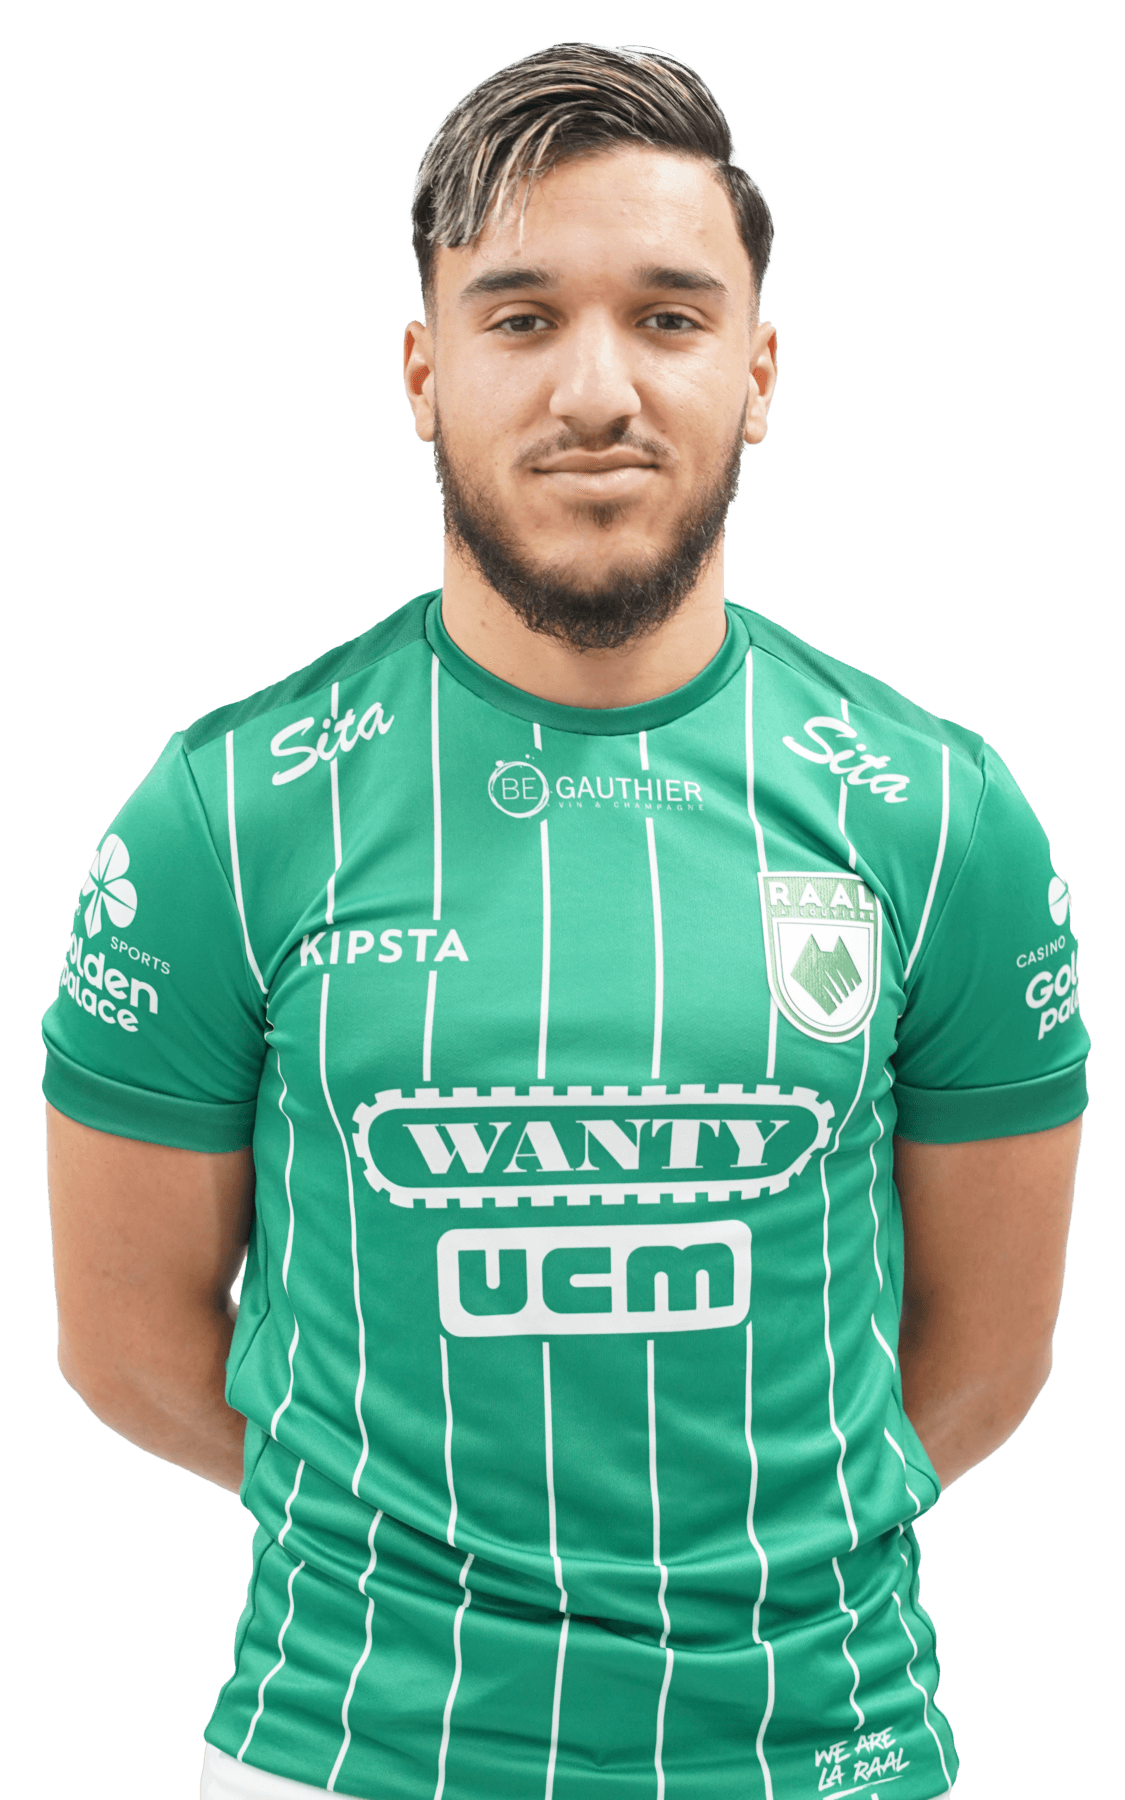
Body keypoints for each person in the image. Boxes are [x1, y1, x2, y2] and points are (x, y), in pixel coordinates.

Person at [43, 40, 1089, 1800]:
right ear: (422, 372)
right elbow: (124, 1341)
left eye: (669, 318)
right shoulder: (227, 811)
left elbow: (987, 1356)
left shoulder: (940, 811)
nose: (596, 390)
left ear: (759, 373)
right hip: (349, 1752)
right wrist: (418, 1551)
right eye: (520, 318)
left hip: (821, 1752)